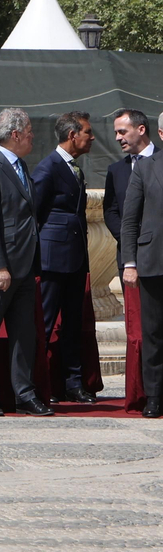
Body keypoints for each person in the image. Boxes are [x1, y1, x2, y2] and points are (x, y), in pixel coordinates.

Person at [0, 107, 50, 416]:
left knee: (23, 333)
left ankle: (24, 393)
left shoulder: (19, 165)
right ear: (15, 135)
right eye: (29, 133)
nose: (32, 138)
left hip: (24, 266)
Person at [32, 110, 95, 404]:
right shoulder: (48, 168)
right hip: (52, 260)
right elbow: (35, 213)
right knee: (44, 323)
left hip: (75, 259)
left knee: (72, 324)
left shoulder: (74, 167)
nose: (91, 138)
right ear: (73, 136)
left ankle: (73, 383)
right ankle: (37, 384)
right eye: (87, 133)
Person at [120, 153, 163, 417]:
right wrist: (130, 262)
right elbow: (129, 218)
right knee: (154, 332)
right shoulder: (146, 167)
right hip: (153, 260)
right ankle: (155, 396)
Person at [104, 109, 152, 241]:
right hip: (128, 254)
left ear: (141, 130)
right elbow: (110, 211)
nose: (118, 138)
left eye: (122, 132)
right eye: (116, 133)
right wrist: (127, 240)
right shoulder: (115, 170)